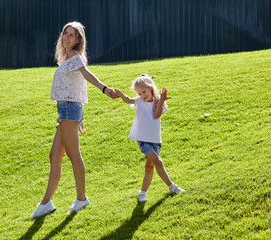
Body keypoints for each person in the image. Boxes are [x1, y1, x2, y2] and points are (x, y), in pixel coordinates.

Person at [32, 21, 117, 218]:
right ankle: (47, 203)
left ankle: (81, 199)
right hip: (68, 110)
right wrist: (79, 118)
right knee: (55, 156)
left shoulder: (73, 55)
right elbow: (76, 85)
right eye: (65, 34)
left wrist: (105, 89)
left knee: (73, 155)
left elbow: (87, 75)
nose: (67, 37)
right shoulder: (68, 58)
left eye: (72, 35)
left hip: (69, 110)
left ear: (78, 40)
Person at [115, 74, 185, 202]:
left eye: (144, 91)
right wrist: (121, 95)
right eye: (139, 93)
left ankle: (142, 193)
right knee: (158, 161)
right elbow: (129, 100)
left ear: (151, 88)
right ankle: (172, 187)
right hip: (143, 140)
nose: (142, 95)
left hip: (156, 141)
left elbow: (156, 115)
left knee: (149, 166)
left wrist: (162, 100)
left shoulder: (158, 102)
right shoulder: (139, 101)